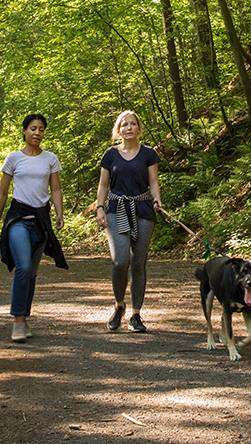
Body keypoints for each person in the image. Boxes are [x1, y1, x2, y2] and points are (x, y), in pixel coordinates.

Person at [0, 113, 67, 343]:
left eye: (41, 129)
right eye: (33, 128)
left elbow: (56, 189)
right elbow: (2, 193)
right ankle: (18, 321)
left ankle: (24, 317)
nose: (37, 133)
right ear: (24, 131)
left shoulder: (50, 158)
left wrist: (60, 213)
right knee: (23, 266)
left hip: (41, 219)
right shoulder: (13, 158)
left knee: (31, 271)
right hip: (18, 218)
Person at [94, 109, 161, 333]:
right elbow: (103, 185)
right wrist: (100, 208)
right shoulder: (110, 154)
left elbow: (153, 182)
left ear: (139, 129)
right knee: (120, 260)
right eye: (124, 124)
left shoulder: (149, 154)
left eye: (133, 124)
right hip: (116, 208)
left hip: (142, 207)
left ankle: (136, 314)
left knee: (138, 263)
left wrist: (157, 198)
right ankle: (119, 305)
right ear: (118, 130)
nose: (129, 127)